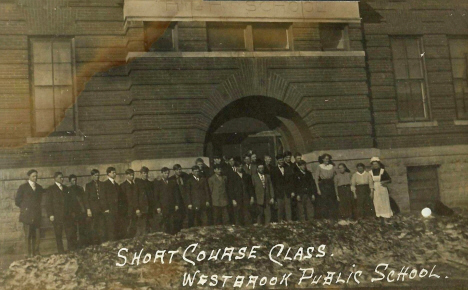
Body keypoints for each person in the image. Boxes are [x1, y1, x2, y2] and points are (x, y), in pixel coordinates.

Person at [46, 172, 79, 253]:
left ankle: (70, 249)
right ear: (55, 178)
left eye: (62, 177)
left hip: (67, 215)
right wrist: (50, 214)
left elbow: (70, 202)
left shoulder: (66, 188)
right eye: (60, 177)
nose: (62, 179)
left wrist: (71, 212)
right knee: (58, 234)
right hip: (57, 216)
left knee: (69, 233)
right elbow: (48, 203)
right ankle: (61, 251)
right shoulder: (51, 189)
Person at [15, 169, 43, 257]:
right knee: (28, 235)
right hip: (27, 215)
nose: (35, 178)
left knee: (37, 235)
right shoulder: (23, 187)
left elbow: (40, 200)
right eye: (33, 176)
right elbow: (17, 201)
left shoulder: (39, 187)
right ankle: (28, 253)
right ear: (29, 177)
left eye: (36, 176)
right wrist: (25, 208)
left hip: (37, 215)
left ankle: (36, 252)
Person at [121, 169, 149, 238]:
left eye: (133, 175)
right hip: (128, 210)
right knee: (129, 227)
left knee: (137, 227)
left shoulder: (135, 184)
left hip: (136, 209)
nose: (132, 176)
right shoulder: (123, 185)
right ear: (126, 175)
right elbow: (123, 200)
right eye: (130, 175)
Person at [85, 169, 109, 244]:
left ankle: (102, 242)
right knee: (94, 226)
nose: (97, 177)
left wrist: (106, 208)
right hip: (93, 209)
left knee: (102, 226)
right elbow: (86, 199)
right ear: (92, 176)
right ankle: (95, 243)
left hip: (102, 209)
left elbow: (106, 197)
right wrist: (88, 209)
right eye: (95, 175)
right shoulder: (88, 186)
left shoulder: (102, 184)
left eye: (98, 175)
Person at [154, 167, 180, 234]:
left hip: (171, 205)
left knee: (172, 221)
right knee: (164, 222)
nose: (166, 175)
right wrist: (158, 207)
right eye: (165, 173)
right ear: (162, 173)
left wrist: (176, 204)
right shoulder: (158, 183)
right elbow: (156, 196)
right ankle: (165, 235)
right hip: (163, 206)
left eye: (168, 173)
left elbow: (176, 194)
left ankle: (172, 235)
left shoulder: (172, 183)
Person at [314, 153, 339, 219]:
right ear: (322, 159)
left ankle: (331, 216)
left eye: (328, 159)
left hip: (330, 184)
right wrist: (318, 189)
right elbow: (316, 178)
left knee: (331, 201)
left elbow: (335, 176)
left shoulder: (332, 166)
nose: (327, 160)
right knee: (324, 201)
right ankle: (324, 217)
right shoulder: (319, 166)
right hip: (323, 185)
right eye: (325, 158)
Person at [270, 154, 294, 222]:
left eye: (282, 160)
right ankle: (280, 221)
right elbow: (273, 183)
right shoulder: (273, 170)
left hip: (287, 191)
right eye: (280, 160)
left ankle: (289, 220)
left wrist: (292, 191)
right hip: (278, 191)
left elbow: (291, 181)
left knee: (288, 206)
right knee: (280, 207)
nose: (281, 161)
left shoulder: (288, 168)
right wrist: (274, 193)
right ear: (277, 161)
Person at [229, 161, 254, 226]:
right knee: (238, 212)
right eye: (239, 166)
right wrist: (233, 199)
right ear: (236, 167)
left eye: (241, 166)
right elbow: (230, 189)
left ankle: (248, 226)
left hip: (246, 197)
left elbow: (250, 187)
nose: (240, 167)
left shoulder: (247, 176)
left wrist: (252, 197)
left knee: (247, 212)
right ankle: (238, 226)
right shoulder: (232, 176)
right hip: (237, 197)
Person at [370, 157, 393, 224]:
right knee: (376, 202)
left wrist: (383, 182)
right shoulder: (370, 172)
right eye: (373, 164)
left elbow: (389, 180)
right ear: (372, 165)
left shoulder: (382, 171)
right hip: (375, 188)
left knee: (384, 201)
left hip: (382, 188)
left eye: (376, 164)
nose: (375, 165)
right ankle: (379, 215)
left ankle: (386, 215)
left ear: (379, 164)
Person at [68, 175, 89, 248]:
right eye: (73, 180)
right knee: (74, 230)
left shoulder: (80, 189)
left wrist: (85, 210)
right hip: (73, 213)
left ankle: (82, 244)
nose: (75, 182)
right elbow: (69, 203)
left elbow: (84, 200)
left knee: (82, 229)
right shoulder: (69, 190)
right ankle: (75, 245)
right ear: (70, 181)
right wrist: (71, 212)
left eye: (75, 180)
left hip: (81, 212)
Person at [100, 167, 120, 241]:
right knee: (110, 228)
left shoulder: (116, 184)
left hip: (116, 209)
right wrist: (106, 208)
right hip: (109, 210)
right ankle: (111, 243)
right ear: (108, 174)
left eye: (115, 172)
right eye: (113, 172)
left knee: (115, 227)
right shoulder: (105, 184)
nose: (115, 174)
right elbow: (103, 197)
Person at [135, 167, 156, 233]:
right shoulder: (137, 184)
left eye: (146, 173)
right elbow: (135, 197)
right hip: (142, 209)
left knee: (151, 227)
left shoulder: (149, 183)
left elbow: (152, 196)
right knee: (142, 227)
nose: (145, 175)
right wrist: (137, 208)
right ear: (141, 174)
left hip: (150, 208)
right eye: (144, 173)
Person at [169, 164, 190, 230]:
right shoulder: (171, 179)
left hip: (184, 200)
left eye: (180, 169)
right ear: (174, 171)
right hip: (177, 201)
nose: (179, 171)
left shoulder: (184, 177)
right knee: (177, 217)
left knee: (185, 217)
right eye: (177, 169)